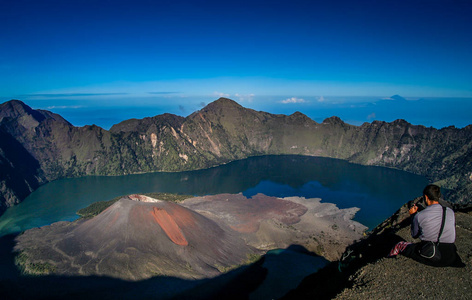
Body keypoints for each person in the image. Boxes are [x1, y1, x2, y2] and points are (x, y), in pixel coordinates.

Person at [389, 184, 463, 267]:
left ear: (426, 197)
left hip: (433, 255)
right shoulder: (450, 211)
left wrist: (413, 215)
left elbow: (414, 235)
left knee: (399, 245)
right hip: (451, 256)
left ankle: (389, 261)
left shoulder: (420, 215)